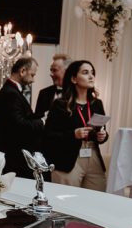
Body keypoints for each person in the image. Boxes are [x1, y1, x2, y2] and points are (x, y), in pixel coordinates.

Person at [42, 59, 109, 188]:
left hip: (93, 155)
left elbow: (101, 130)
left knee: (97, 196)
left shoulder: (97, 104)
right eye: (85, 72)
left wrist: (103, 136)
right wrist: (73, 134)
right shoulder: (60, 105)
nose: (91, 76)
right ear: (73, 79)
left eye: (92, 73)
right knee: (67, 198)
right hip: (67, 159)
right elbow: (48, 136)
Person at [0, 55, 47, 178]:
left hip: (16, 155)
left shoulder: (12, 91)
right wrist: (42, 121)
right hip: (15, 156)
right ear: (22, 71)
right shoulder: (10, 93)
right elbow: (19, 125)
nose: (33, 80)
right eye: (32, 75)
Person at [34, 52, 69, 117]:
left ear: (67, 72)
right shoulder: (44, 93)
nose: (51, 74)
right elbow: (37, 118)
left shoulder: (77, 93)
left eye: (55, 70)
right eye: (51, 70)